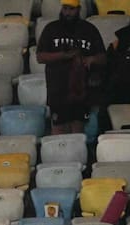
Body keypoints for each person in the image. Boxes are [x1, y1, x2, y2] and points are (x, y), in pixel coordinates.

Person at [37, 0, 106, 134]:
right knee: (58, 130)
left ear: (79, 9)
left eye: (71, 9)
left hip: (81, 91)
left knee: (78, 129)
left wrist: (91, 59)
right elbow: (40, 57)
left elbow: (103, 58)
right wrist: (65, 55)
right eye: (65, 8)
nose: (67, 12)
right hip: (57, 90)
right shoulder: (51, 28)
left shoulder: (89, 29)